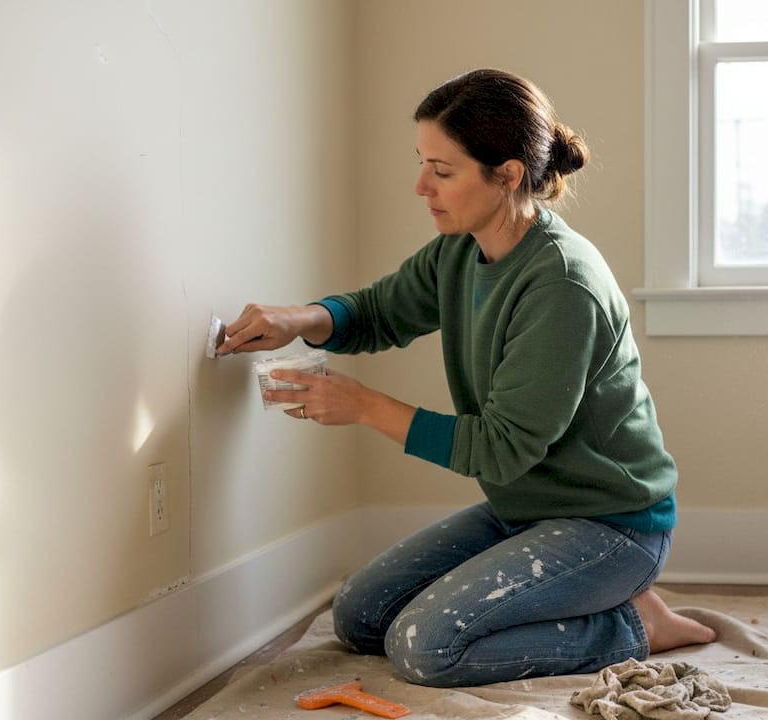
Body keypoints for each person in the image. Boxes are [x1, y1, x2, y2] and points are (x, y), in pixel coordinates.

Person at [218, 68, 714, 688]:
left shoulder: (561, 285)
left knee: (426, 649)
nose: (421, 186)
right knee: (360, 616)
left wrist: (365, 406)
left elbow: (502, 450)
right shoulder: (461, 247)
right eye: (423, 163)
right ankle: (583, 601)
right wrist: (300, 318)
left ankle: (635, 626)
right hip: (524, 512)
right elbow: (381, 311)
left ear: (507, 174)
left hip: (609, 526)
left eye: (443, 171)